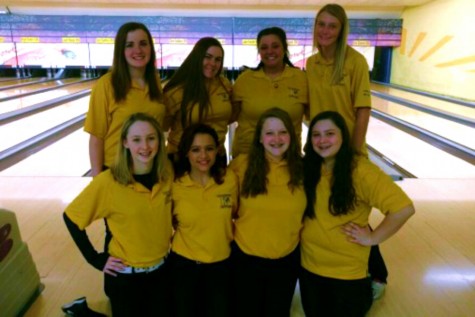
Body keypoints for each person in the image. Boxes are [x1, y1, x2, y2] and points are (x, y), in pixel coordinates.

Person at [306, 4, 387, 297]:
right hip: (320, 148)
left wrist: (351, 154)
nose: (325, 31)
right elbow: (308, 108)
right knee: (327, 212)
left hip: (348, 151)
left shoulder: (354, 62)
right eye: (321, 24)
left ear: (341, 31)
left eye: (332, 26)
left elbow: (362, 109)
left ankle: (378, 275)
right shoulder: (311, 64)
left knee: (355, 216)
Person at [299, 111, 415, 317]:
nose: (322, 140)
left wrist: (372, 237)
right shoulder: (308, 168)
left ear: (343, 136)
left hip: (347, 273)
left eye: (329, 133)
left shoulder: (360, 171)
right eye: (316, 135)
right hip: (309, 270)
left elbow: (403, 208)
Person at [63, 113, 173, 317]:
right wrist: (95, 259)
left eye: (151, 138)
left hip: (161, 273)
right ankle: (82, 313)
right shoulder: (108, 182)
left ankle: (80, 310)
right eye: (137, 139)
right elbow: (71, 217)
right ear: (125, 142)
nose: (145, 146)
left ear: (160, 140)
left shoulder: (167, 175)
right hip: (126, 278)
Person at [229, 107, 306, 317]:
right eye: (270, 133)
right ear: (260, 138)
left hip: (286, 261)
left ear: (291, 135)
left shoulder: (303, 170)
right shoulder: (240, 167)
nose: (277, 138)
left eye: (282, 132)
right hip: (245, 261)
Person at [168, 123, 238, 317]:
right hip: (184, 266)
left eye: (209, 149)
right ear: (186, 154)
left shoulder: (230, 179)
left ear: (217, 151)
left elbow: (237, 213)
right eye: (195, 150)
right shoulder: (176, 185)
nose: (203, 156)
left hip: (221, 265)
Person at [85, 22, 166, 176]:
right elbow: (96, 138)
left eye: (143, 44)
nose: (138, 50)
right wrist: (97, 178)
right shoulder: (106, 85)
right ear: (121, 51)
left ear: (151, 48)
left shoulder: (155, 82)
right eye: (130, 45)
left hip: (152, 169)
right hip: (117, 171)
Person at [232, 26, 308, 158]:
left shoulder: (301, 79)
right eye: (264, 48)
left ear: (284, 49)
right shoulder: (244, 80)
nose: (270, 51)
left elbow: (313, 116)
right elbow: (229, 116)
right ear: (259, 51)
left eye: (275, 46)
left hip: (288, 158)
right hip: (247, 157)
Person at [163, 37, 233, 165]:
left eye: (218, 59)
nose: (213, 63)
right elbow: (163, 125)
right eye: (208, 57)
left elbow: (231, 116)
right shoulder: (177, 90)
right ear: (197, 57)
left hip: (216, 156)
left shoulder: (225, 85)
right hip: (182, 157)